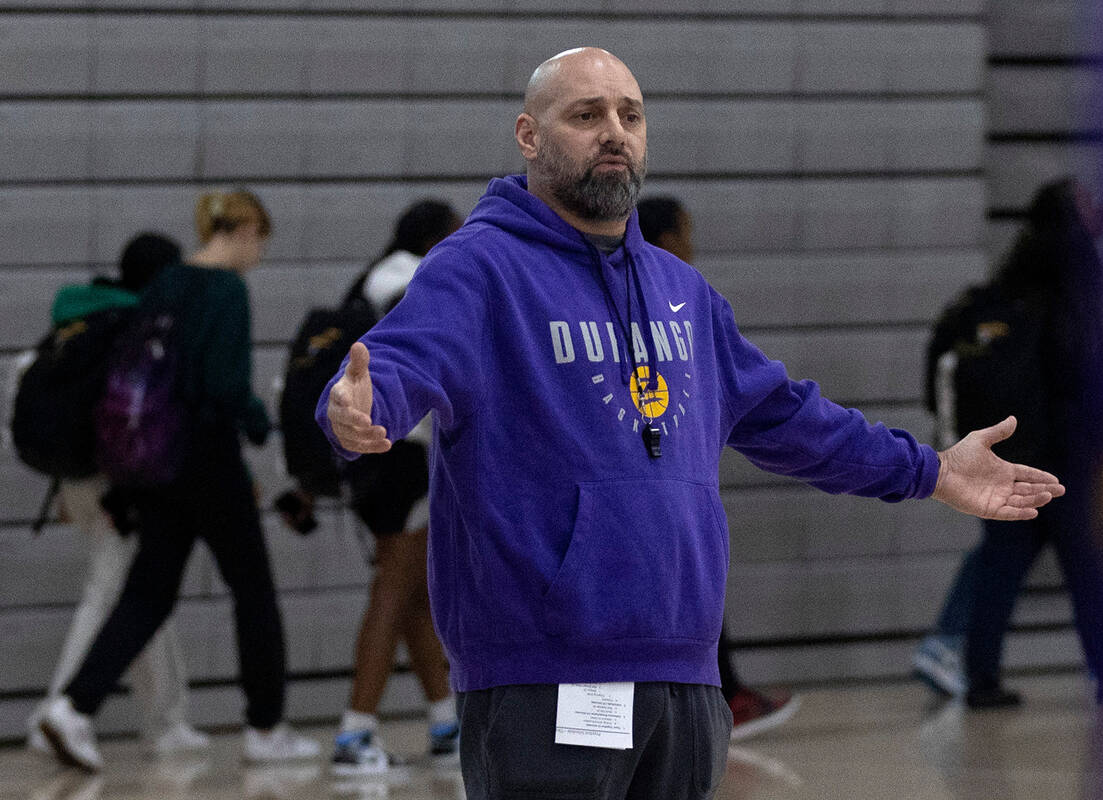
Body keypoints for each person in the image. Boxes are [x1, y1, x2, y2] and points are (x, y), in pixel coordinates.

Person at [318, 48, 1065, 799]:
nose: (614, 131)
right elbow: (392, 366)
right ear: (528, 135)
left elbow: (786, 417)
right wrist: (357, 409)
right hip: (544, 678)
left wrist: (930, 470)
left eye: (630, 115)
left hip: (685, 677)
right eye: (586, 115)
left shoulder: (682, 290)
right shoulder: (477, 270)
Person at [38, 189, 319, 771]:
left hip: (152, 460)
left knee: (148, 592)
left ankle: (74, 707)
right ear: (243, 230)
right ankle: (266, 728)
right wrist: (259, 422)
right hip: (206, 458)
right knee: (254, 592)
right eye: (260, 239)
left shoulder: (166, 283)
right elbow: (221, 384)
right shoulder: (225, 291)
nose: (259, 254)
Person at [913, 179, 1103, 708]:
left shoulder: (1008, 281)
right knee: (1087, 569)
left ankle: (982, 679)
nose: (1098, 214)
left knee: (1001, 567)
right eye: (1088, 205)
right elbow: (1085, 370)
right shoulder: (1071, 279)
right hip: (1063, 453)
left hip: (1009, 451)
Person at [25, 233, 209, 758]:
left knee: (146, 594)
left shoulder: (80, 315)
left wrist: (67, 482)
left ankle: (167, 720)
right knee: (109, 595)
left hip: (80, 479)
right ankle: (57, 712)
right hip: (117, 484)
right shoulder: (135, 324)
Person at [636, 195, 799, 739]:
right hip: (640, 489)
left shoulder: (693, 303)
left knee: (696, 573)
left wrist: (927, 471)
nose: (693, 243)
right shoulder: (629, 299)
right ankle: (725, 696)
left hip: (678, 485)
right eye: (685, 232)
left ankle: (723, 694)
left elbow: (774, 408)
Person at [328, 200, 463, 774]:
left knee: (413, 594)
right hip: (401, 457)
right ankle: (354, 734)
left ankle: (445, 723)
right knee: (395, 588)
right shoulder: (416, 280)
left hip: (373, 461)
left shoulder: (373, 276)